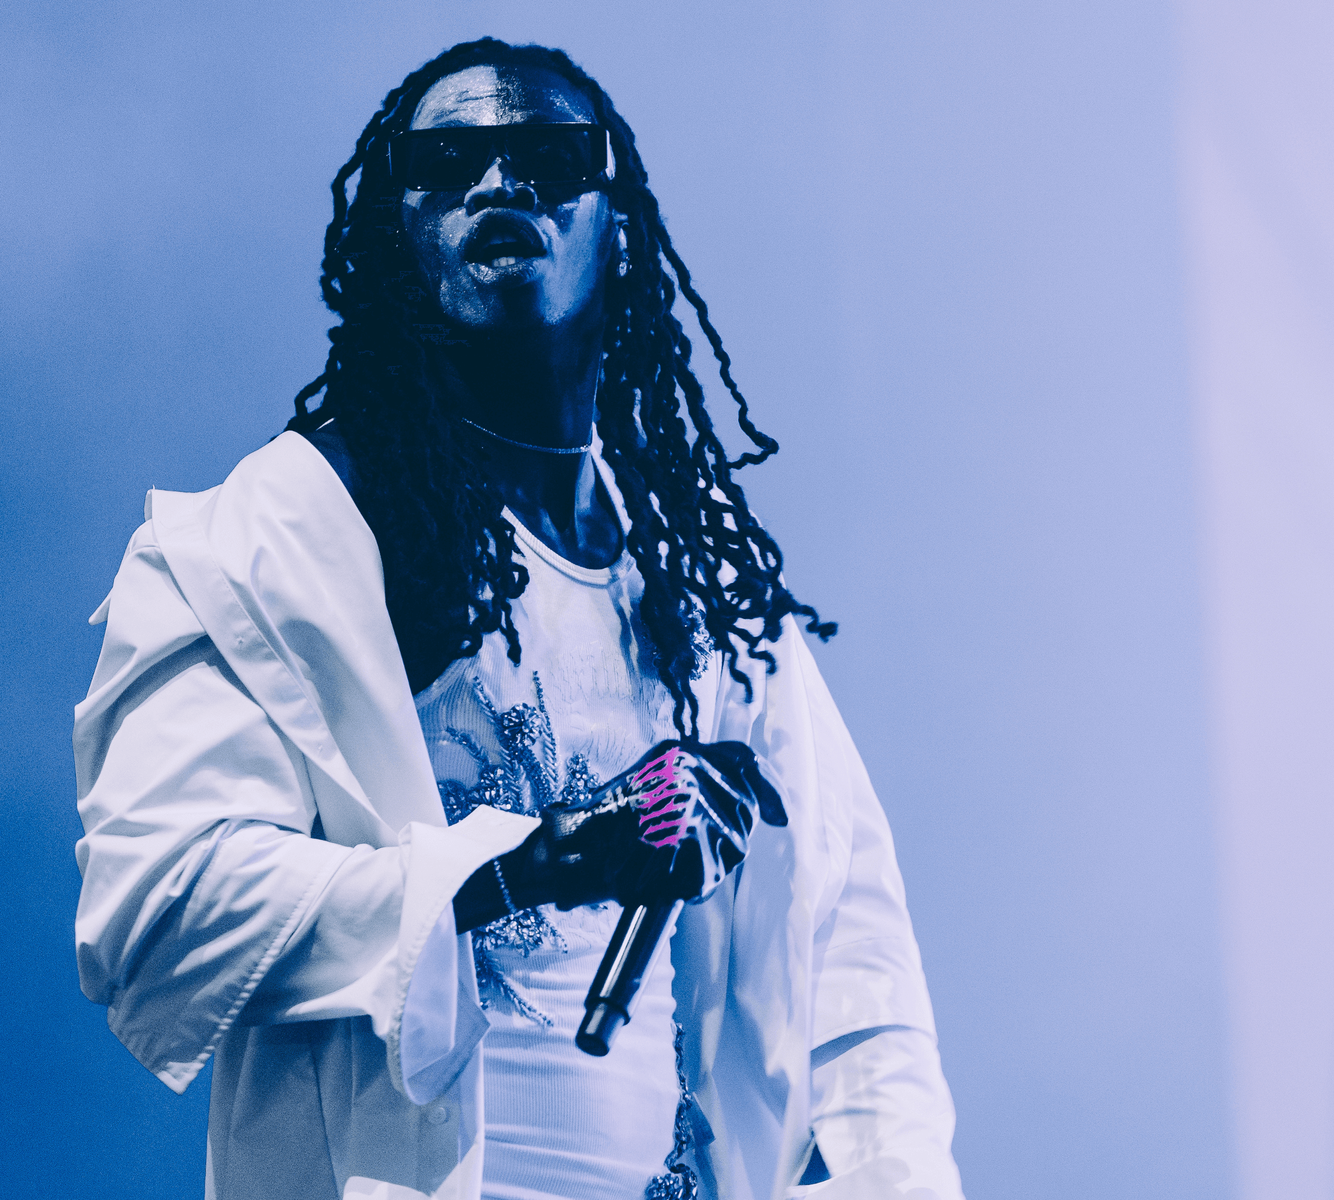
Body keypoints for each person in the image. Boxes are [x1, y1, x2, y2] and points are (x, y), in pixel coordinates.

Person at [72, 38, 962, 1200]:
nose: (499, 183)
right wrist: (539, 861)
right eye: (447, 163)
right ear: (394, 231)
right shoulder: (266, 541)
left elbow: (850, 949)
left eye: (550, 154)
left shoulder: (696, 576)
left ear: (619, 228)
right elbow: (159, 914)